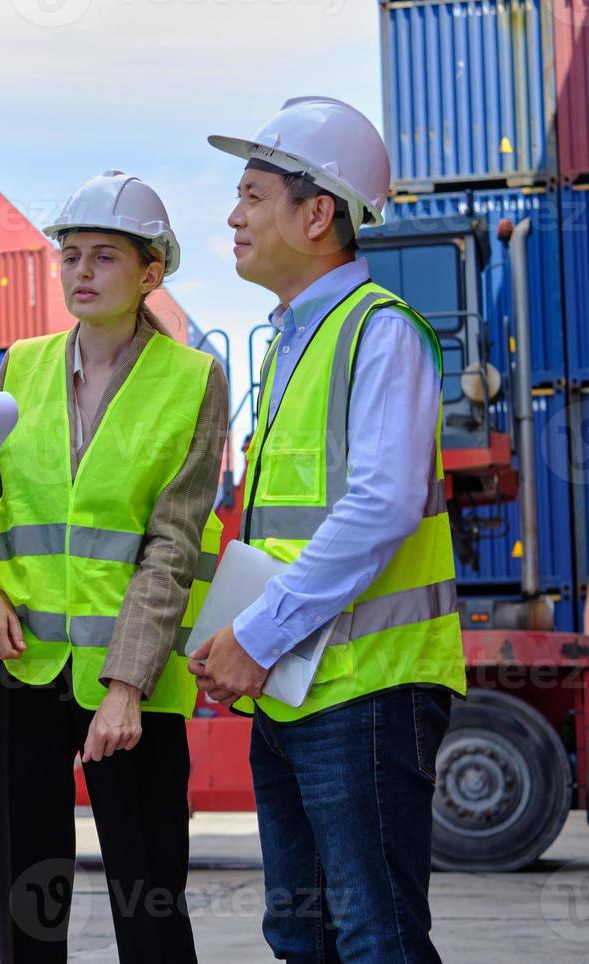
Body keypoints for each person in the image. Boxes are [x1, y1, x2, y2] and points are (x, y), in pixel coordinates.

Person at [192, 96, 466, 963]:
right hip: (297, 682)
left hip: (364, 690)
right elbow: (283, 529)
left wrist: (258, 634)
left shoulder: (378, 333)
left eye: (252, 194)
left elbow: (379, 508)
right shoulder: (291, 344)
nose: (233, 215)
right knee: (302, 935)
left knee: (375, 935)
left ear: (317, 214)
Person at [0, 171, 227, 963]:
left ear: (151, 274)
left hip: (131, 684)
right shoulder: (22, 369)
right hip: (20, 665)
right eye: (69, 255)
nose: (80, 271)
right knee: (27, 907)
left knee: (150, 907)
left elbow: (173, 542)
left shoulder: (191, 380)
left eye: (103, 257)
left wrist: (127, 684)